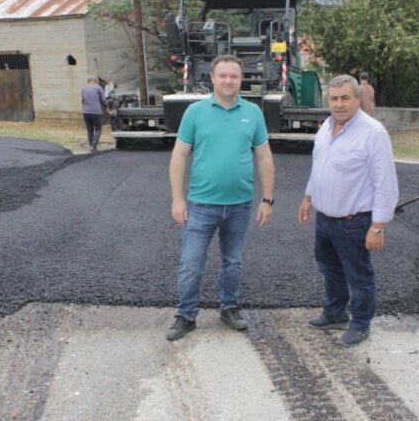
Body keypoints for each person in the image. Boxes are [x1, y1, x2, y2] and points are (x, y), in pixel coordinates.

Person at [166, 54, 275, 341]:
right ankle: (186, 315)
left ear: (241, 79)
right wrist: (178, 199)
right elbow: (179, 155)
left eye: (234, 76)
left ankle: (229, 308)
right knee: (191, 263)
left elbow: (263, 157)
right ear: (212, 78)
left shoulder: (253, 113)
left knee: (232, 261)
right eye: (223, 75)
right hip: (201, 204)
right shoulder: (195, 112)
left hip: (239, 205)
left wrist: (267, 199)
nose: (228, 80)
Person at [298, 74, 398, 347]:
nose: (339, 104)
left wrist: (378, 226)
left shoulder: (373, 132)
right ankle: (335, 313)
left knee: (359, 276)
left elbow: (385, 182)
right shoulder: (326, 127)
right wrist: (308, 197)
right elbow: (319, 167)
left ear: (357, 98)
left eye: (345, 98)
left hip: (354, 222)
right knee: (330, 269)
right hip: (324, 219)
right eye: (334, 98)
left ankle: (361, 323)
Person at [81, 75, 106, 152]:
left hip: (86, 112)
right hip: (96, 112)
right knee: (98, 128)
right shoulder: (98, 88)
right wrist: (106, 106)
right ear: (95, 81)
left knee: (89, 129)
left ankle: (90, 145)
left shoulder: (83, 88)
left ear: (88, 81)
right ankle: (94, 145)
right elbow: (103, 99)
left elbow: (82, 100)